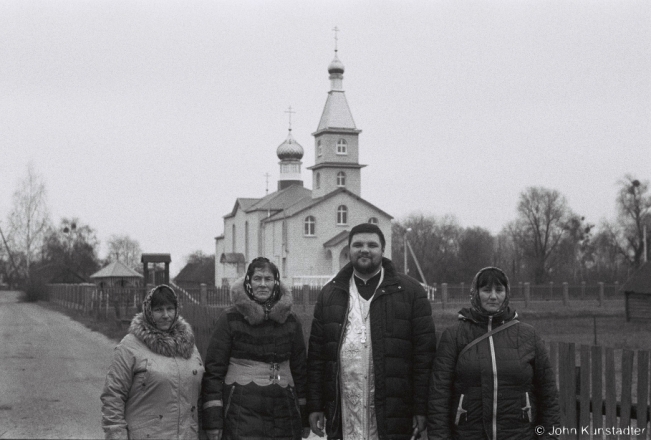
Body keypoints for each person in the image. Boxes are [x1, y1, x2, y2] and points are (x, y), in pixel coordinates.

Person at [307, 223, 437, 440]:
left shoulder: (411, 293)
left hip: (395, 412)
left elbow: (424, 358)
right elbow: (318, 357)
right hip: (344, 410)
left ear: (382, 250)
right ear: (349, 250)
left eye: (371, 245)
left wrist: (421, 408)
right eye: (358, 244)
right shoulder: (330, 294)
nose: (364, 249)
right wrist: (314, 405)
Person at [427, 267, 560, 440]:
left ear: (507, 293)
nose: (493, 296)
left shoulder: (528, 335)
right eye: (486, 290)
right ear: (475, 293)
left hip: (519, 434)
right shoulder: (454, 336)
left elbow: (548, 395)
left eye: (499, 290)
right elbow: (439, 396)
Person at [201, 257, 310, 440]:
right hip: (241, 410)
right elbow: (214, 371)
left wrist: (304, 416)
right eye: (257, 279)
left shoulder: (290, 321)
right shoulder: (230, 318)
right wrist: (213, 420)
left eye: (268, 279)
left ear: (276, 283)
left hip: (284, 411)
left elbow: (300, 369)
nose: (262, 284)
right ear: (248, 282)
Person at [101, 284, 204, 440]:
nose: (165, 315)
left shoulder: (188, 345)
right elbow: (113, 395)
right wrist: (116, 435)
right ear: (148, 311)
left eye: (170, 309)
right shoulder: (130, 347)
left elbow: (201, 392)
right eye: (158, 310)